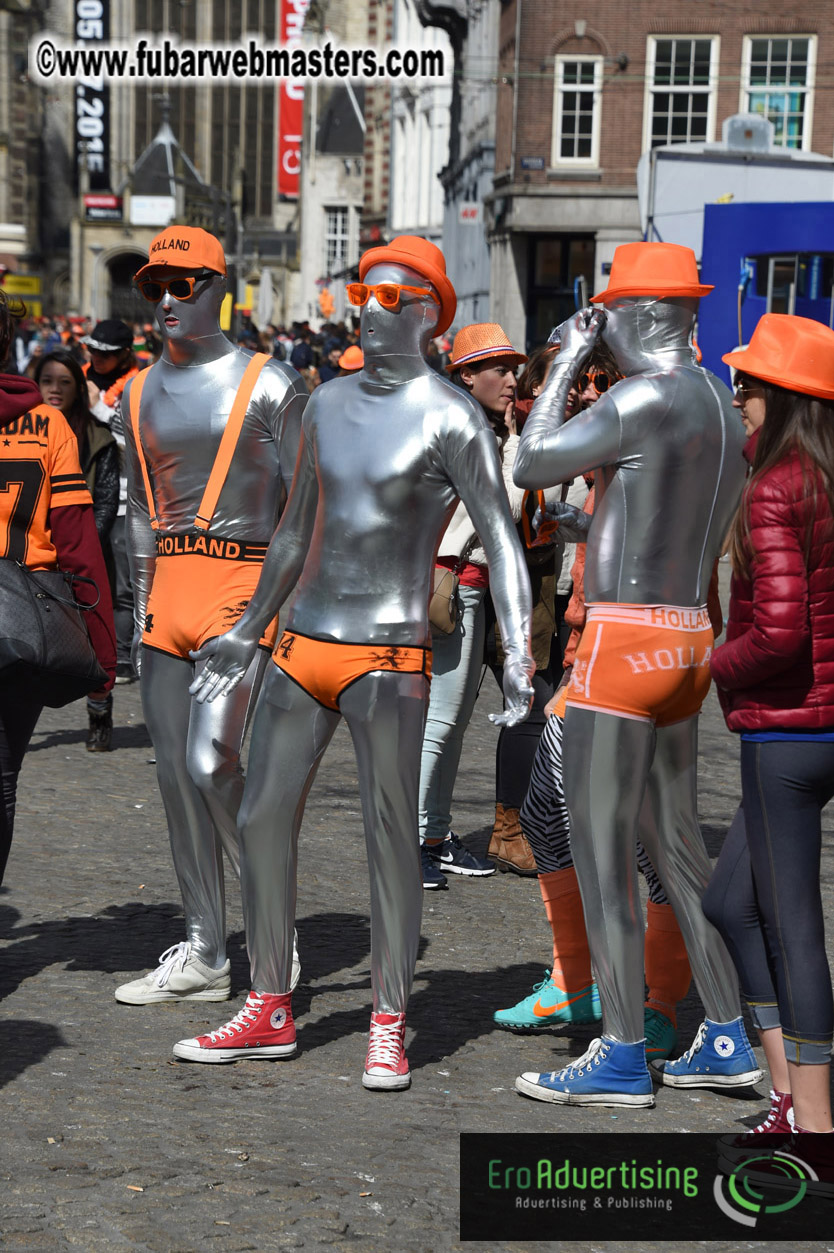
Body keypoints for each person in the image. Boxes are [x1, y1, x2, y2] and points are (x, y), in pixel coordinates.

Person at [175, 236, 534, 1089]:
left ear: (423, 313)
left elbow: (503, 539)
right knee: (261, 815)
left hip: (388, 651)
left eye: (383, 295)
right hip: (303, 643)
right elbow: (298, 525)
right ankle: (267, 999)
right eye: (362, 292)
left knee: (390, 836)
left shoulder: (451, 415)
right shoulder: (325, 401)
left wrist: (518, 651)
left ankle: (388, 1018)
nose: (364, 308)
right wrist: (250, 625)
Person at [513, 241, 760, 1108]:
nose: (599, 326)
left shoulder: (642, 396)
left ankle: (619, 1052)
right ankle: (727, 1032)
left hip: (622, 644)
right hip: (686, 635)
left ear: (640, 315)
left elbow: (529, 461)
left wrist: (570, 358)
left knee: (604, 857)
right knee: (681, 851)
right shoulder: (723, 410)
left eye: (606, 312)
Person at [115, 225, 308, 1007]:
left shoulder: (271, 383)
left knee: (213, 763)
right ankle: (203, 944)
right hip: (169, 593)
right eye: (155, 285)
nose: (165, 299)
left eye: (181, 284)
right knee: (173, 776)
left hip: (244, 587)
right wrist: (138, 610)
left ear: (217, 288)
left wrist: (276, 614)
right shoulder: (135, 390)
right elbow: (134, 506)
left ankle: (270, 929)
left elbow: (306, 508)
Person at [702, 313, 834, 1136]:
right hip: (813, 726)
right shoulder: (819, 475)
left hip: (788, 731)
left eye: (751, 384)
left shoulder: (779, 485)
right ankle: (791, 1090)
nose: (739, 394)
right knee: (728, 900)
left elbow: (779, 632)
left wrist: (703, 666)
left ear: (785, 398)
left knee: (793, 927)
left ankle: (815, 1126)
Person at [0, 292, 116, 883]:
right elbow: (76, 543)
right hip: (19, 623)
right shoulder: (45, 425)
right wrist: (102, 652)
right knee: (2, 780)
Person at [418, 323, 528, 890]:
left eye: (514, 369)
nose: (512, 381)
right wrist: (511, 441)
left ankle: (430, 835)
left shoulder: (460, 421)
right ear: (467, 375)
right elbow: (502, 506)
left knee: (450, 718)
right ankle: (421, 840)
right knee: (443, 719)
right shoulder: (472, 432)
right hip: (454, 584)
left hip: (463, 583)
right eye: (501, 370)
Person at [35, 348, 120, 751]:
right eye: (48, 381)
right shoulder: (25, 429)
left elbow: (104, 498)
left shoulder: (96, 437)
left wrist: (86, 540)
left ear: (77, 389)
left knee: (93, 637)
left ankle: (99, 712)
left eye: (65, 382)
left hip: (85, 549)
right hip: (36, 553)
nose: (55, 389)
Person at [81, 319, 141, 685]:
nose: (98, 359)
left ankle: (120, 655)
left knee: (122, 583)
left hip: (122, 497)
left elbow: (133, 440)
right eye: (93, 352)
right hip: (81, 490)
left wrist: (97, 408)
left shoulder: (136, 386)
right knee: (87, 575)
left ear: (124, 355)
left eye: (107, 354)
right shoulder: (77, 378)